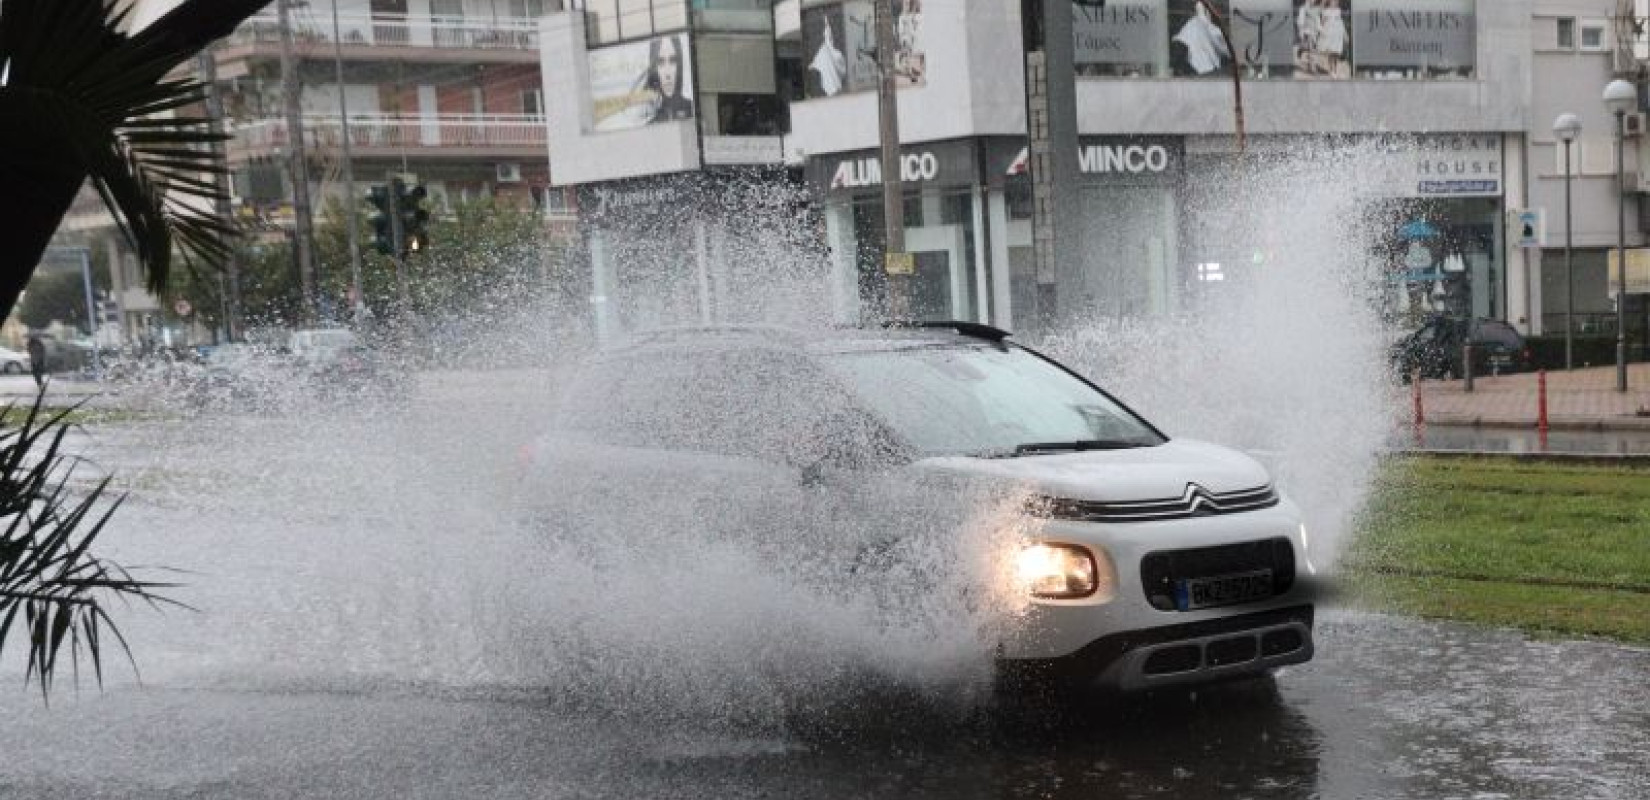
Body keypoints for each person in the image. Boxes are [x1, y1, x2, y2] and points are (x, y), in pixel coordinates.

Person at [646, 35, 694, 124]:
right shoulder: (650, 120)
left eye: (673, 61)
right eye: (660, 62)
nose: (667, 74)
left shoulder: (692, 109)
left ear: (679, 64)